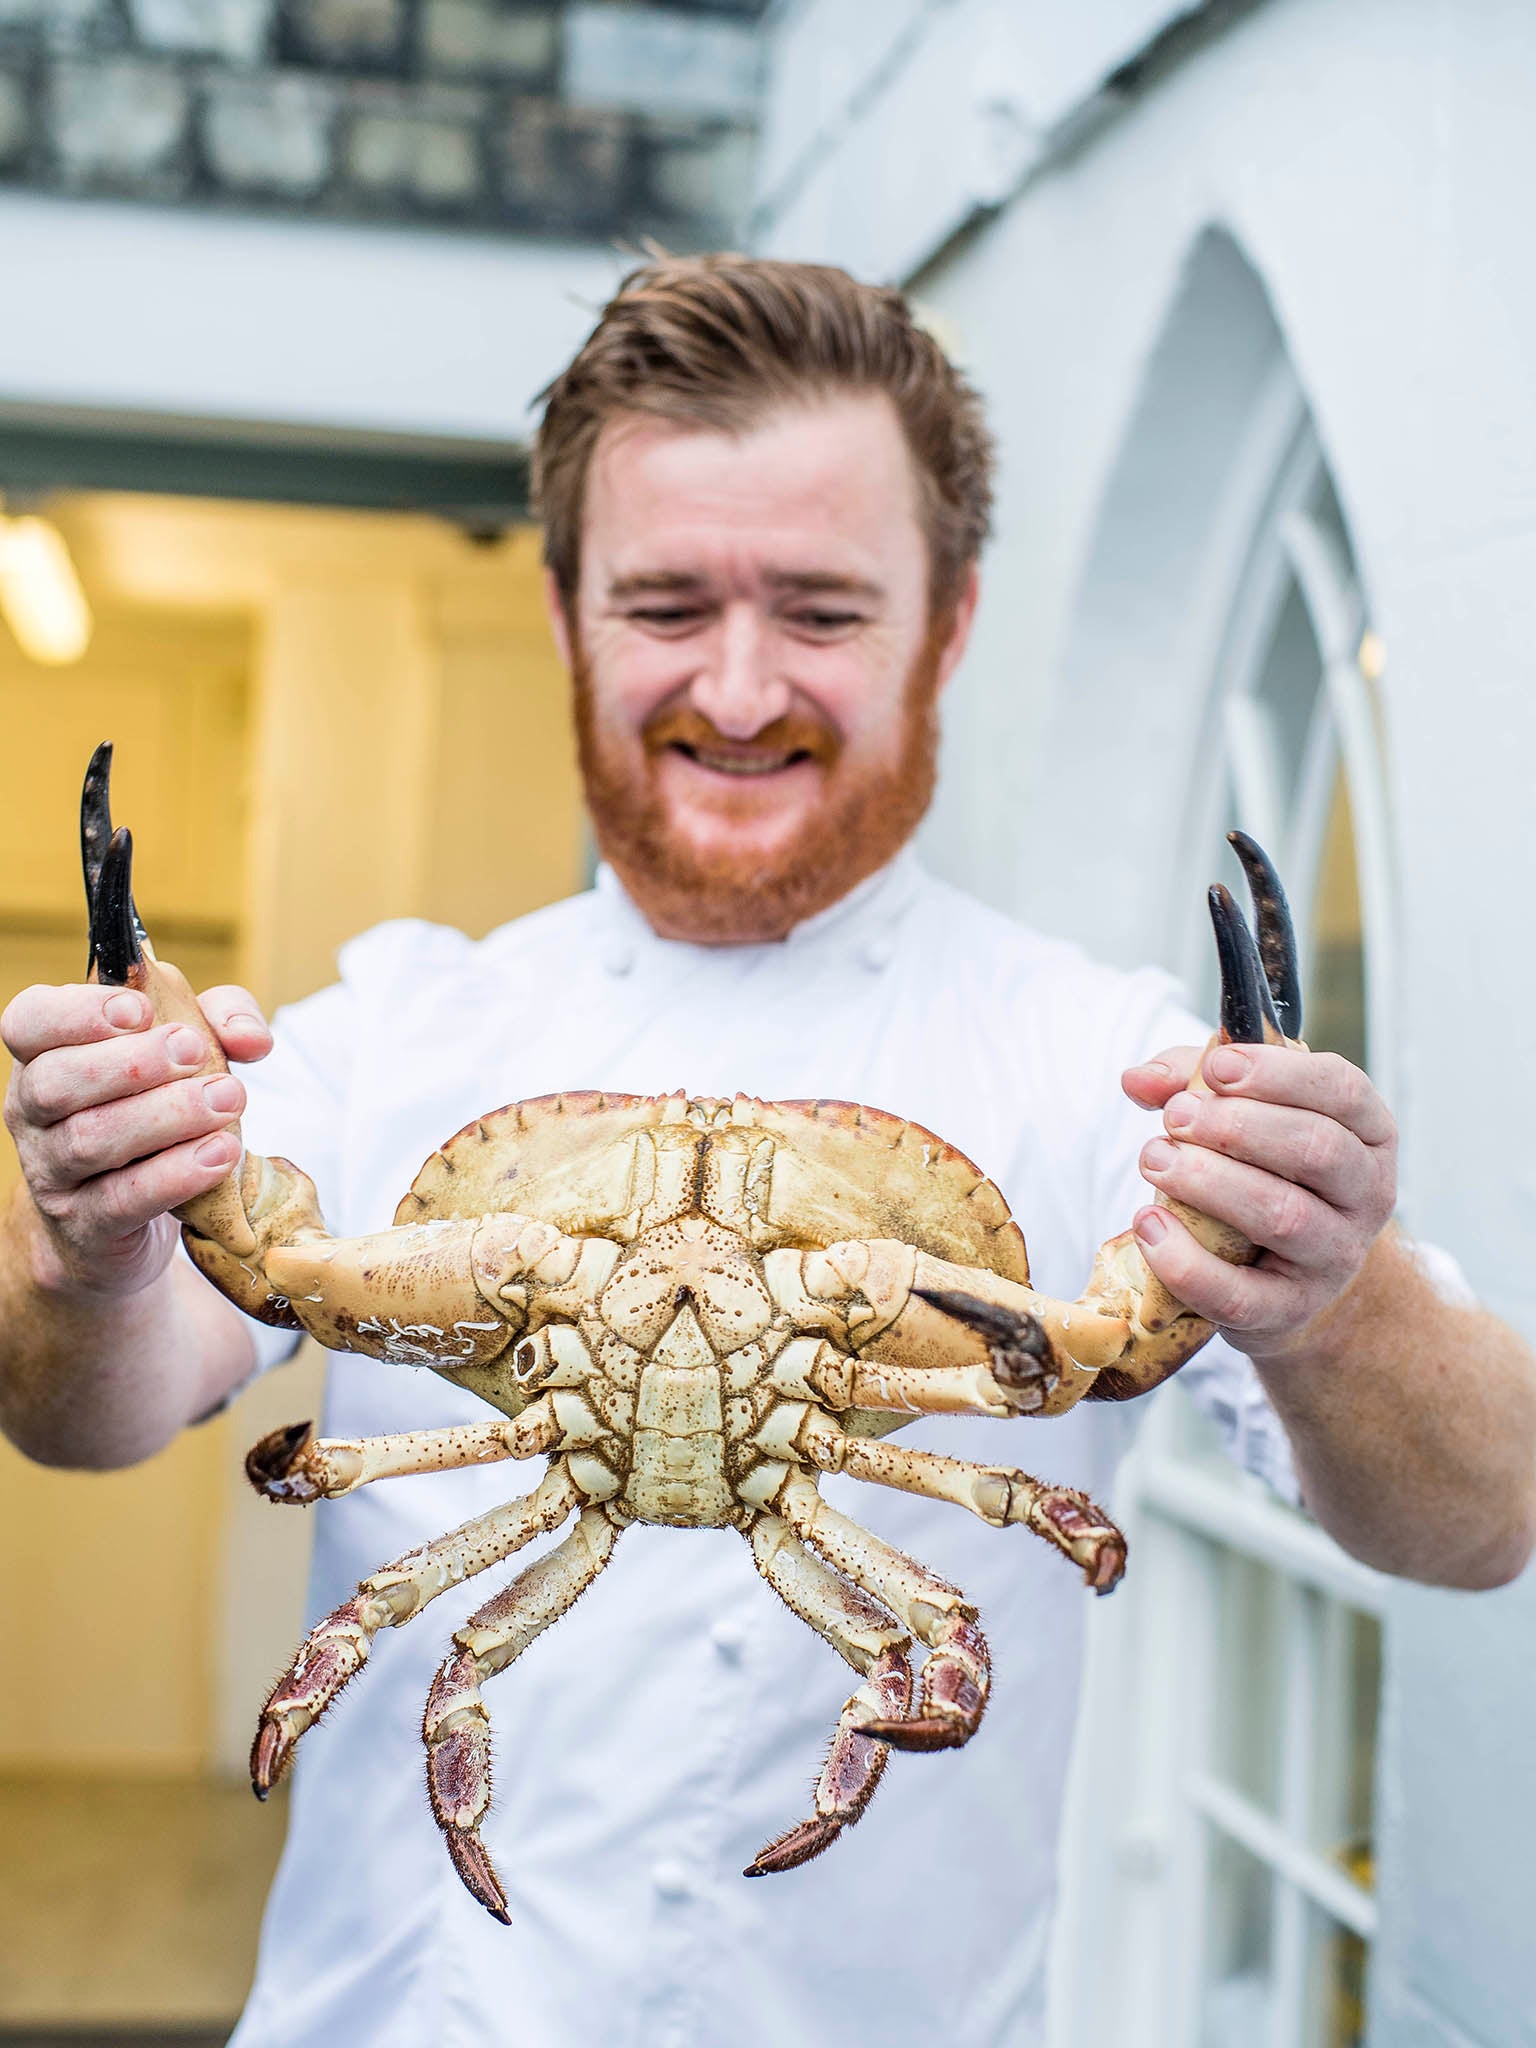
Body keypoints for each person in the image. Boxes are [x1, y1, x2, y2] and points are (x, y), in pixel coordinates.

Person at [2, 257, 1533, 2048]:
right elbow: (84, 1408)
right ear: (567, 611)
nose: (737, 690)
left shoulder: (1108, 1071)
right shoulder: (398, 1031)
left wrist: (1325, 1297)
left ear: (950, 623)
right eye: (665, 604)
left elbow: (1490, 1509)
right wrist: (89, 1242)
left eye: (820, 609)